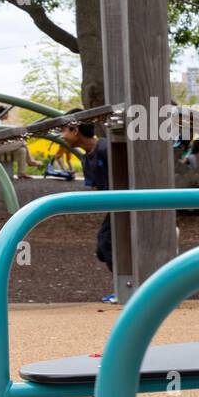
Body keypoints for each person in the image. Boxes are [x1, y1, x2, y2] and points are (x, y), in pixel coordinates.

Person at [64, 111, 115, 302]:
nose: (62, 135)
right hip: (115, 206)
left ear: (75, 130)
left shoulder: (105, 148)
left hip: (127, 202)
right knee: (103, 249)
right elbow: (94, 189)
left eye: (64, 130)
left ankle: (130, 288)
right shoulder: (86, 157)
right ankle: (129, 286)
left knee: (106, 243)